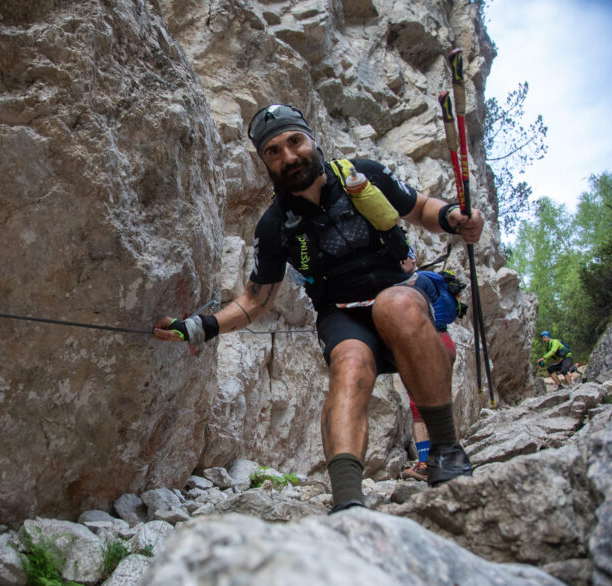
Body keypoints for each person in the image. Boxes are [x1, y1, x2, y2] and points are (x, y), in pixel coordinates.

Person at [152, 104, 482, 512]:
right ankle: (347, 503)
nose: (289, 156)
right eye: (273, 151)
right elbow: (255, 299)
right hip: (342, 314)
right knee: (349, 364)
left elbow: (418, 208)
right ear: (265, 164)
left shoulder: (365, 176)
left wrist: (451, 216)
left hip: (399, 296)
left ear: (313, 140)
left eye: (295, 142)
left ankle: (446, 452)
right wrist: (198, 328)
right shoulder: (275, 226)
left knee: (393, 305)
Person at [398, 247, 467, 482]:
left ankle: (427, 463)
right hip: (444, 342)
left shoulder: (414, 282)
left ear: (411, 259)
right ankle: (449, 460)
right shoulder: (428, 280)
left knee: (421, 408)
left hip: (429, 344)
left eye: (401, 258)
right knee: (437, 404)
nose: (397, 263)